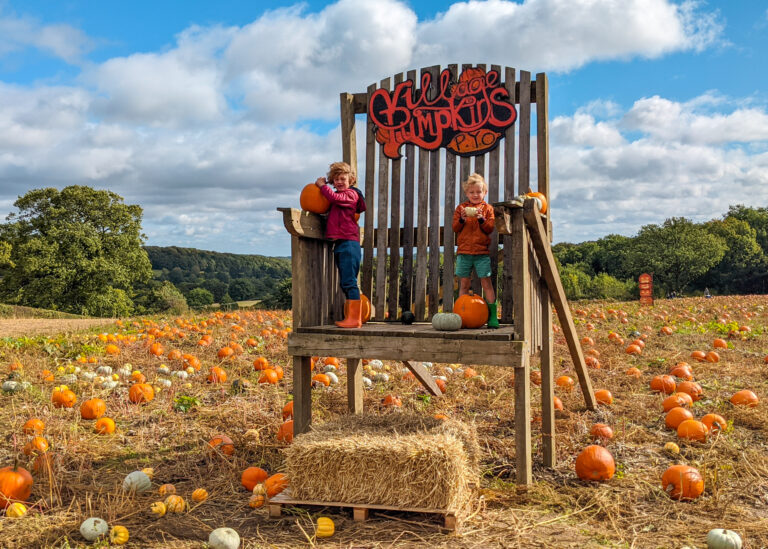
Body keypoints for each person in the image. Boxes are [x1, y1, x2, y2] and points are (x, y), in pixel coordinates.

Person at [315, 162, 366, 328]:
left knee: (350, 281)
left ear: (350, 180)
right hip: (341, 242)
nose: (339, 182)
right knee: (345, 281)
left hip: (349, 243)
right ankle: (352, 317)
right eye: (335, 179)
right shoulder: (340, 194)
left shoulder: (352, 195)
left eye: (342, 178)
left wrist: (323, 186)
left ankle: (355, 319)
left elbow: (334, 197)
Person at [452, 173, 498, 328]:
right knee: (464, 284)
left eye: (479, 192)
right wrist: (462, 219)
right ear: (467, 194)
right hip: (464, 253)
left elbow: (489, 228)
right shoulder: (461, 208)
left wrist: (480, 218)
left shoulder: (487, 209)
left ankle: (492, 317)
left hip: (481, 253)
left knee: (487, 284)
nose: (475, 195)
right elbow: (455, 228)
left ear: (484, 192)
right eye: (472, 192)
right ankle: (462, 317)